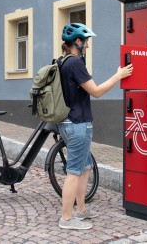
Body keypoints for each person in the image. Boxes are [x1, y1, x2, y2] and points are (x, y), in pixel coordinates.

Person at [57, 23, 133, 230]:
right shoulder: (74, 64)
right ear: (78, 42)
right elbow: (96, 91)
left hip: (70, 122)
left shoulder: (62, 61)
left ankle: (81, 211)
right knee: (74, 171)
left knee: (86, 168)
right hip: (78, 124)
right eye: (87, 41)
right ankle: (66, 218)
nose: (88, 45)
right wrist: (119, 76)